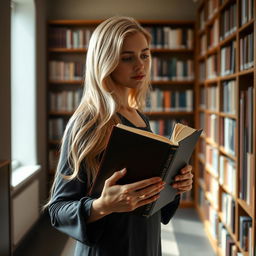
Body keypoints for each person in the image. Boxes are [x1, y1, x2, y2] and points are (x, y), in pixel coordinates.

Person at [46, 16, 193, 256]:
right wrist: (102, 205)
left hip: (145, 242)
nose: (140, 65)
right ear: (105, 62)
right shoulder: (87, 123)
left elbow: (144, 195)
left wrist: (174, 186)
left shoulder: (139, 117)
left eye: (145, 55)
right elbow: (58, 210)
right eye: (127, 58)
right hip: (108, 248)